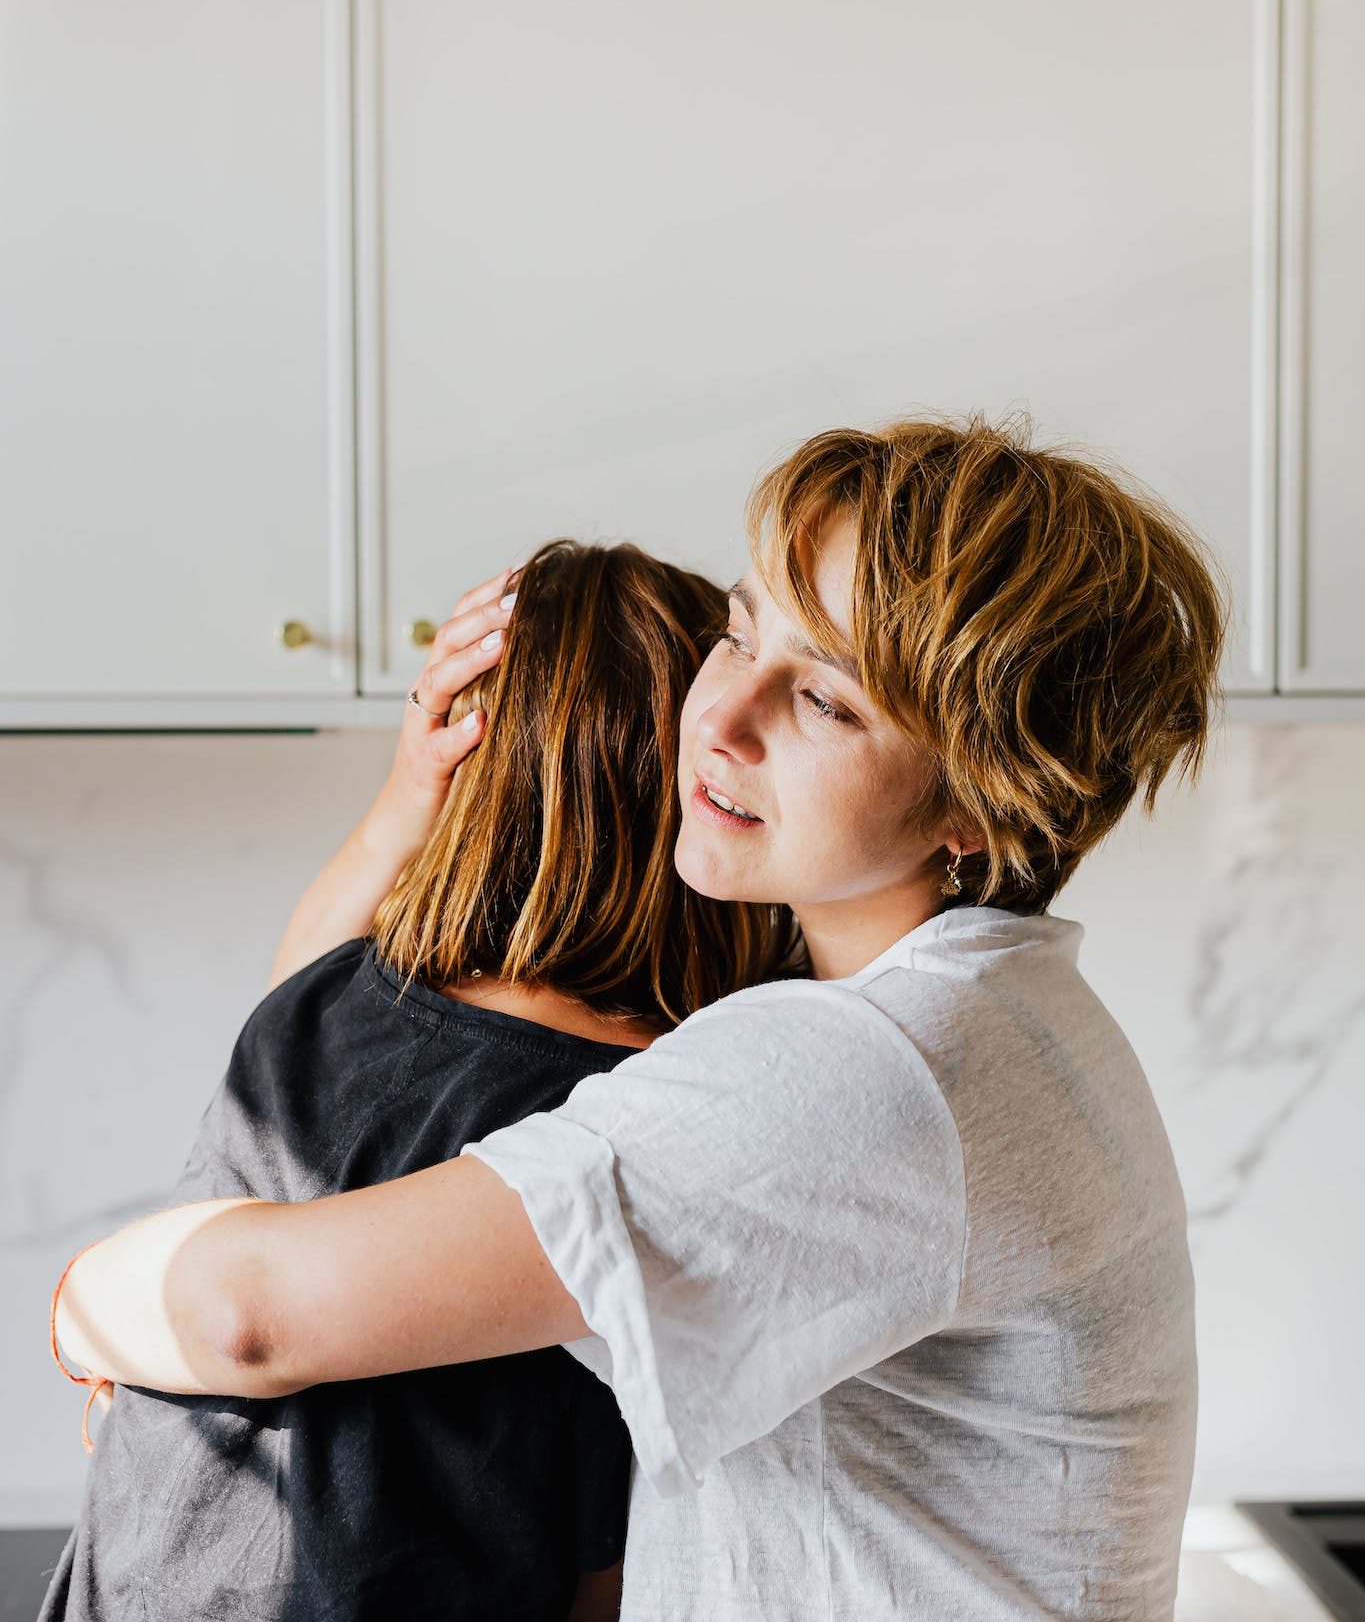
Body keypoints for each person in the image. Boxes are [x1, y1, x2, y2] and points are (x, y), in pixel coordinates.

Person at [55, 415, 1229, 1620]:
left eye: (826, 701)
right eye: (738, 632)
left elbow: (246, 1312)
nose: (721, 717)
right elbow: (303, 1082)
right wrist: (408, 812)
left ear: (976, 809)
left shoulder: (857, 1076)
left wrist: (82, 1308)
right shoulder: (985, 1018)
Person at [41, 539, 796, 1622]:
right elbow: (601, 1542)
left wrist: (407, 793)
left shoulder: (330, 1007)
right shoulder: (658, 1115)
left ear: (478, 785)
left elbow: (289, 990)